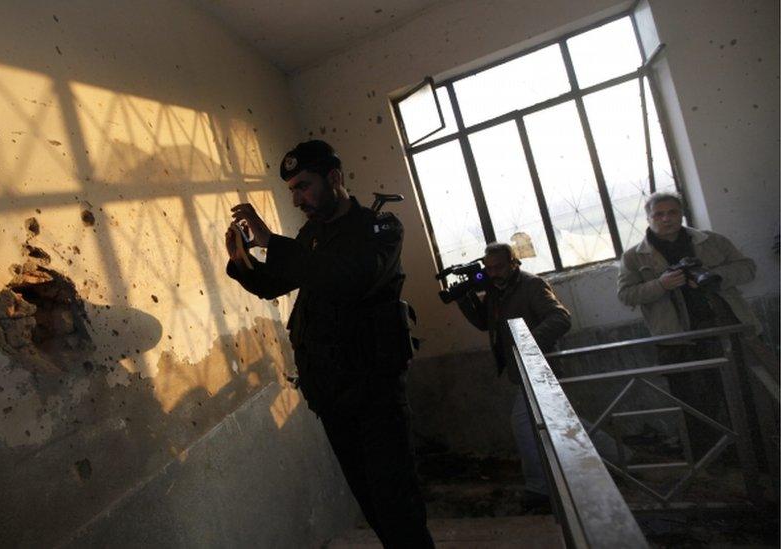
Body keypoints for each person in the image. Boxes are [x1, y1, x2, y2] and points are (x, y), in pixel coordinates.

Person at [225, 140, 433, 548]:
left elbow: (348, 278)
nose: (297, 198)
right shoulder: (312, 236)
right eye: (292, 190)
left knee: (398, 508)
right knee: (372, 506)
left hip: (375, 396)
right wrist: (241, 263)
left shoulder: (381, 228)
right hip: (332, 396)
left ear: (334, 178)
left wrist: (272, 241)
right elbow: (276, 284)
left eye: (303, 186)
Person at [617, 191, 761, 454]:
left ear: (681, 214)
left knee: (740, 395)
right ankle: (710, 460)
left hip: (722, 328)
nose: (666, 219)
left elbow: (748, 268)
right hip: (675, 340)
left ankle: (755, 455)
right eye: (658, 214)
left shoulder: (712, 242)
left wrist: (715, 276)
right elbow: (626, 295)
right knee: (692, 403)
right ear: (648, 219)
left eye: (672, 212)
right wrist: (660, 284)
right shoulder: (634, 257)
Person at [455, 242, 571, 510]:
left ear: (513, 263)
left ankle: (539, 489)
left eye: (499, 267)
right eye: (489, 268)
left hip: (541, 365)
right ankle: (617, 455)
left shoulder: (531, 285)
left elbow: (560, 319)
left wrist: (528, 344)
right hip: (523, 369)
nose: (494, 273)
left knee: (523, 424)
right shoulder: (496, 292)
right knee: (562, 420)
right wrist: (464, 297)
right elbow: (484, 322)